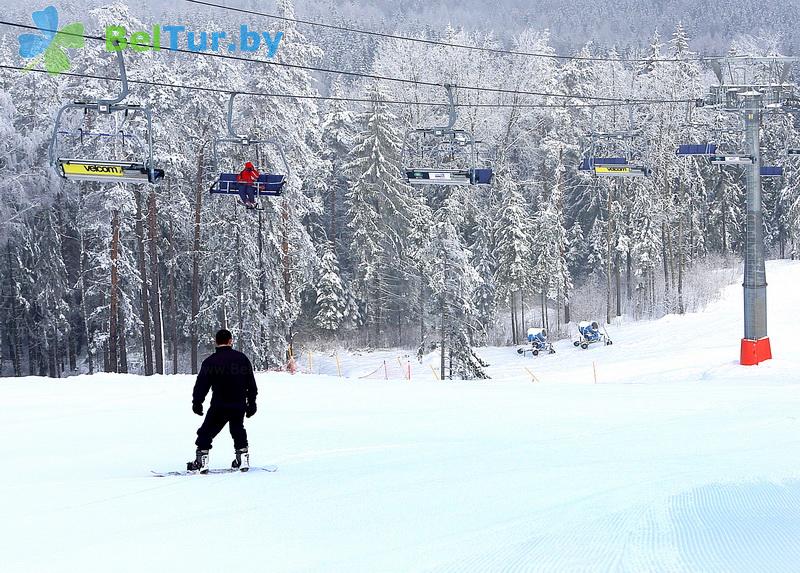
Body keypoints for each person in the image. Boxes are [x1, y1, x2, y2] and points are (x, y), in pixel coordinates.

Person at [188, 329, 258, 474]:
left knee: (206, 432)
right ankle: (242, 459)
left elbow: (202, 384)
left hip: (219, 405)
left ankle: (202, 461)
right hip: (239, 404)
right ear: (230, 341)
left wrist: (197, 402)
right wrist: (252, 403)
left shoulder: (210, 361)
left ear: (216, 341)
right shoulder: (242, 359)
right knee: (237, 429)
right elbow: (251, 383)